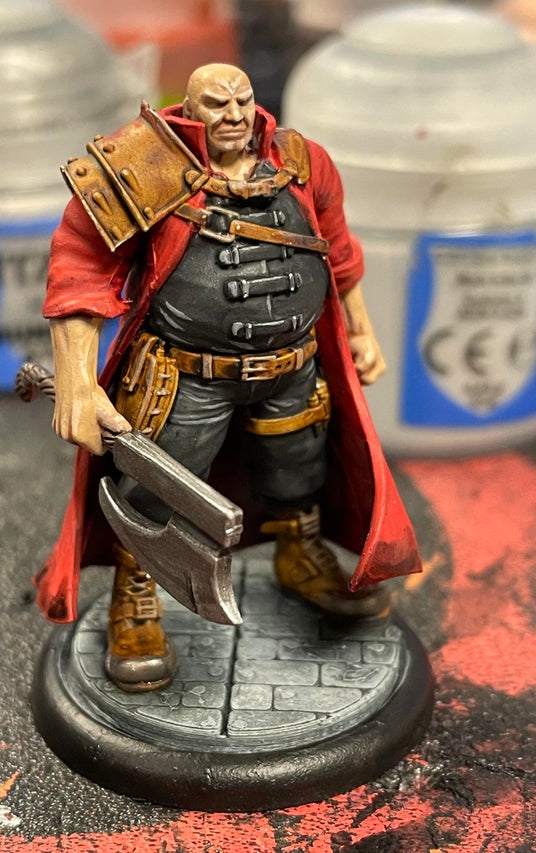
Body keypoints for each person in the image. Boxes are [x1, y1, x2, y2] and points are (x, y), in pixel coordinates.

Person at [36, 64, 421, 693]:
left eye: (243, 100)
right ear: (190, 109)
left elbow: (338, 248)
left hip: (292, 367)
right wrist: (77, 380)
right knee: (158, 491)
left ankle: (300, 553)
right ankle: (136, 592)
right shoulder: (144, 166)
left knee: (299, 471)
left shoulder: (301, 161)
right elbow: (80, 268)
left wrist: (361, 327)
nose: (235, 115)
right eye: (217, 104)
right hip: (186, 375)